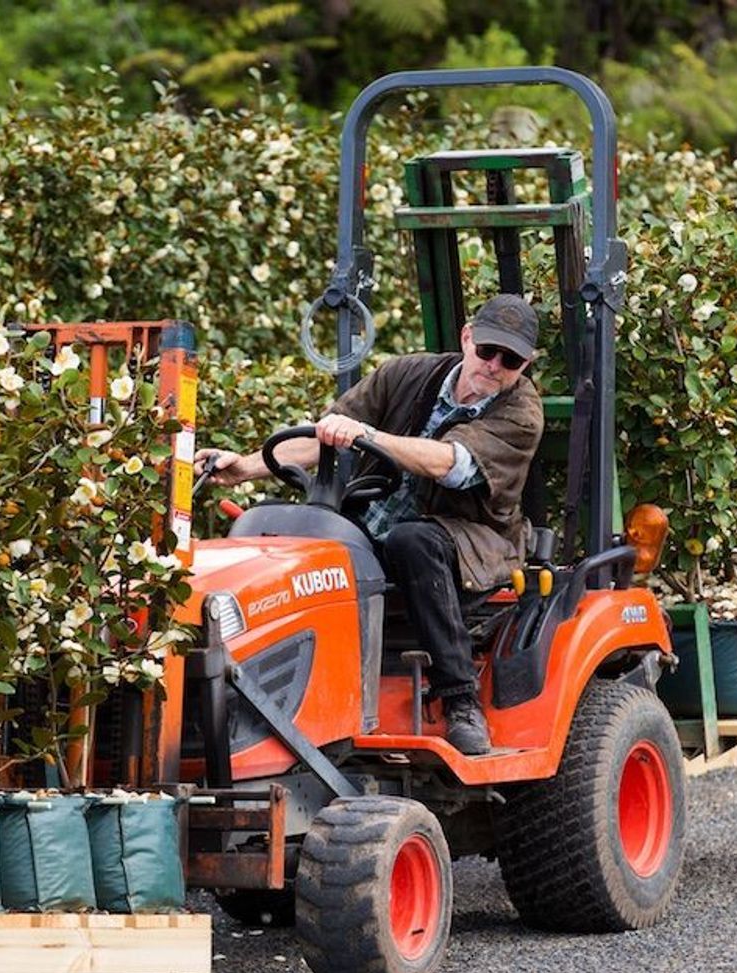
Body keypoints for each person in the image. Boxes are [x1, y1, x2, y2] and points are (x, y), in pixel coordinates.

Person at [194, 294, 544, 755]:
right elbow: (329, 435)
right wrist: (245, 467)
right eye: (487, 351)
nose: (495, 365)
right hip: (370, 524)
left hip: (472, 543)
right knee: (287, 532)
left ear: (526, 364)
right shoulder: (407, 374)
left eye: (511, 359)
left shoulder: (521, 414)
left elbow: (448, 463)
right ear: (467, 338)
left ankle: (459, 698)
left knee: (412, 540)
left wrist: (369, 437)